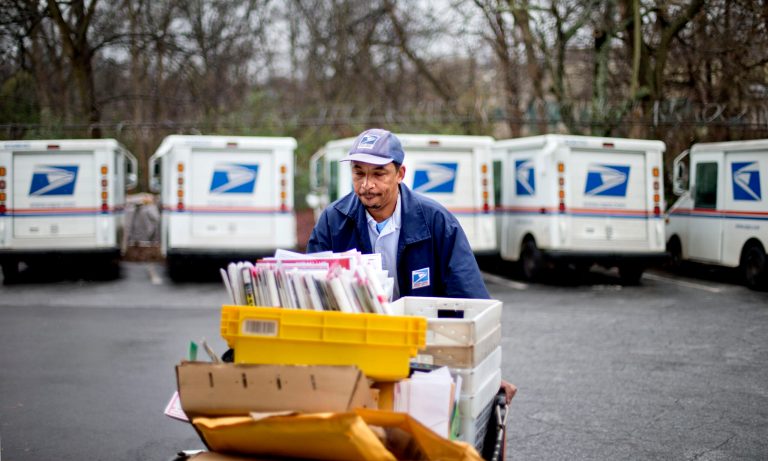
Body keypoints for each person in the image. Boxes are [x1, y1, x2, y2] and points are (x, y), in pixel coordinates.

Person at [307, 128, 517, 403]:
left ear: (400, 174)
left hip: (421, 351)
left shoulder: (436, 221)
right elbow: (310, 295)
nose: (366, 185)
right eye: (359, 173)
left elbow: (468, 299)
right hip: (355, 350)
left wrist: (485, 371)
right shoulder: (333, 221)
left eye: (379, 173)